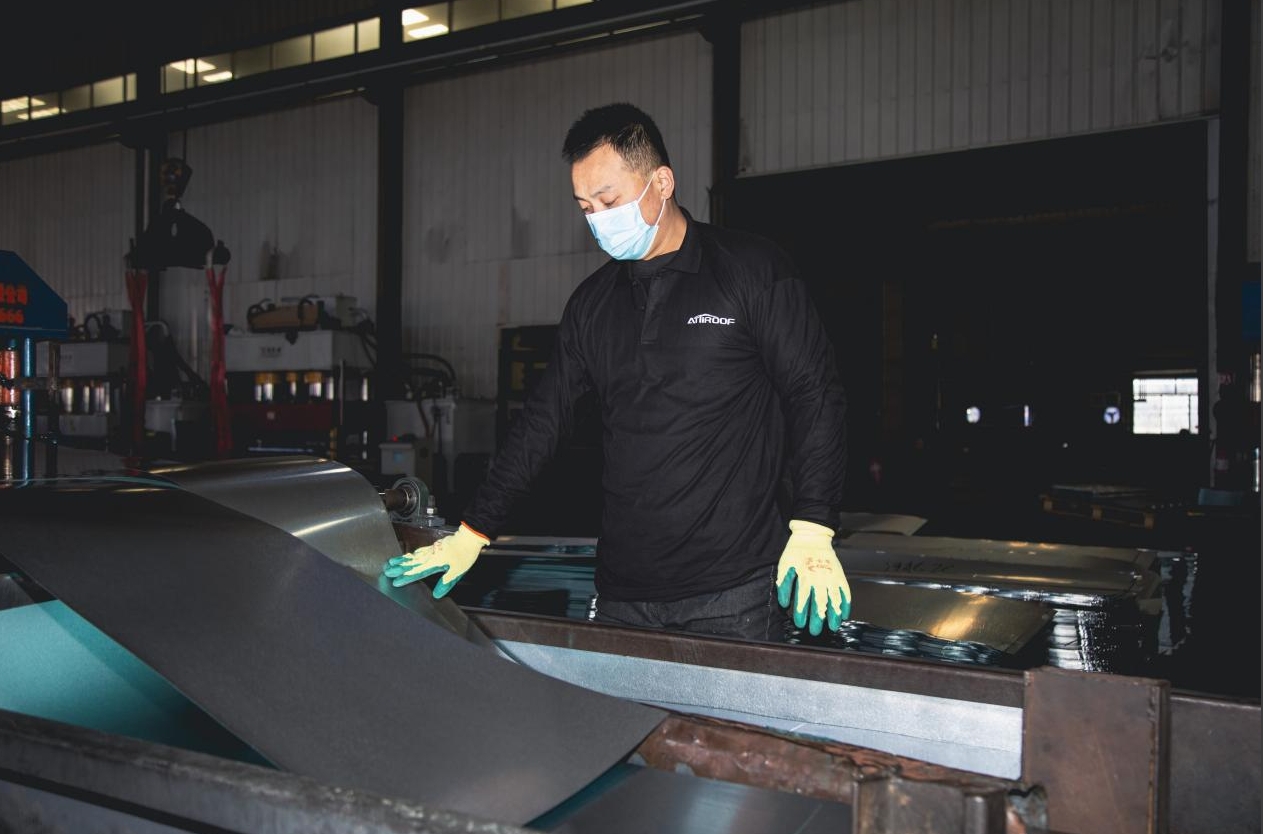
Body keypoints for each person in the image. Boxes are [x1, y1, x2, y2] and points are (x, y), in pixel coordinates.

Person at [384, 102, 851, 641]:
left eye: (609, 200)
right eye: (585, 207)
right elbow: (543, 421)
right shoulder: (593, 305)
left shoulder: (750, 271)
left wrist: (814, 524)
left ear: (662, 181)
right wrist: (474, 529)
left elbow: (814, 393)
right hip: (622, 593)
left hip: (734, 591)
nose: (599, 219)